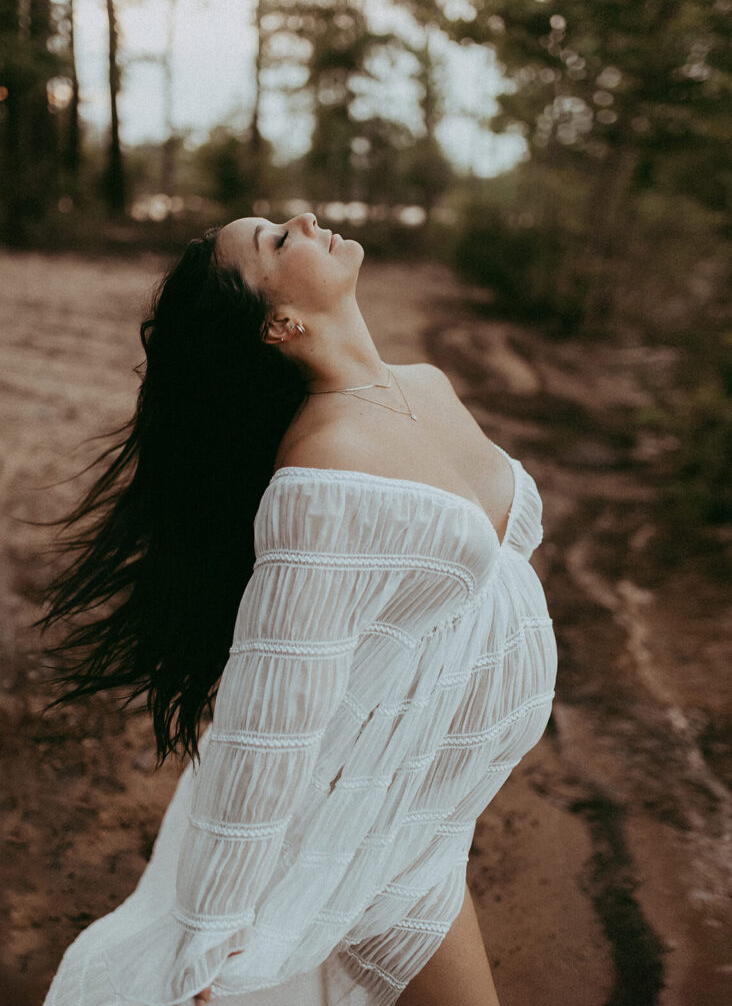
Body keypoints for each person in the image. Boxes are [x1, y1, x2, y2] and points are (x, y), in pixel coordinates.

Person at [39, 212, 557, 1006]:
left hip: (417, 817)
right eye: (277, 241)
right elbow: (266, 724)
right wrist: (209, 935)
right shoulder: (323, 473)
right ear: (278, 323)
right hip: (346, 829)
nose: (305, 220)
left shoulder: (428, 385)